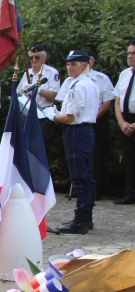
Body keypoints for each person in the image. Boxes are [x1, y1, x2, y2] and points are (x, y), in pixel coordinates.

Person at [43, 51, 100, 234]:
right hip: (84, 130)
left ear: (85, 65)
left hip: (77, 131)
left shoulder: (79, 86)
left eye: (74, 63)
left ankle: (81, 219)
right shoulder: (87, 84)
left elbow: (69, 117)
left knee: (80, 177)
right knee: (85, 175)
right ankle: (86, 217)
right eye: (68, 63)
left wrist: (51, 115)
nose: (69, 67)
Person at [17, 43, 61, 156]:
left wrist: (39, 90)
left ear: (44, 58)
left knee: (39, 148)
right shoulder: (28, 73)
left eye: (37, 57)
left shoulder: (52, 73)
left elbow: (54, 96)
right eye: (31, 57)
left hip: (42, 114)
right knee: (24, 146)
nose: (33, 60)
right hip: (26, 113)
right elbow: (18, 93)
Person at [87, 53, 116, 199]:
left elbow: (108, 102)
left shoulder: (101, 78)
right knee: (82, 155)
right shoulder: (71, 79)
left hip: (98, 120)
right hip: (79, 122)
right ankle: (81, 187)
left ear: (92, 62)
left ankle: (95, 189)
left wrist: (93, 116)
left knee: (98, 154)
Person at [113, 39, 135, 205]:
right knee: (129, 158)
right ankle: (130, 193)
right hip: (126, 119)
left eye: (133, 53)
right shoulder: (124, 74)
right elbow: (117, 100)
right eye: (128, 53)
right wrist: (121, 122)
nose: (130, 56)